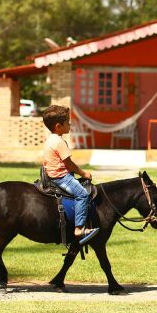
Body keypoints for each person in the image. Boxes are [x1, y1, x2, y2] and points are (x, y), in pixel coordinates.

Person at [42, 105, 99, 245]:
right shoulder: (59, 142)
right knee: (82, 194)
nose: (70, 124)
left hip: (53, 174)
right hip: (61, 177)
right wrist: (83, 173)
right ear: (58, 126)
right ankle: (79, 229)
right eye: (67, 122)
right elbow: (69, 164)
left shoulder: (51, 139)